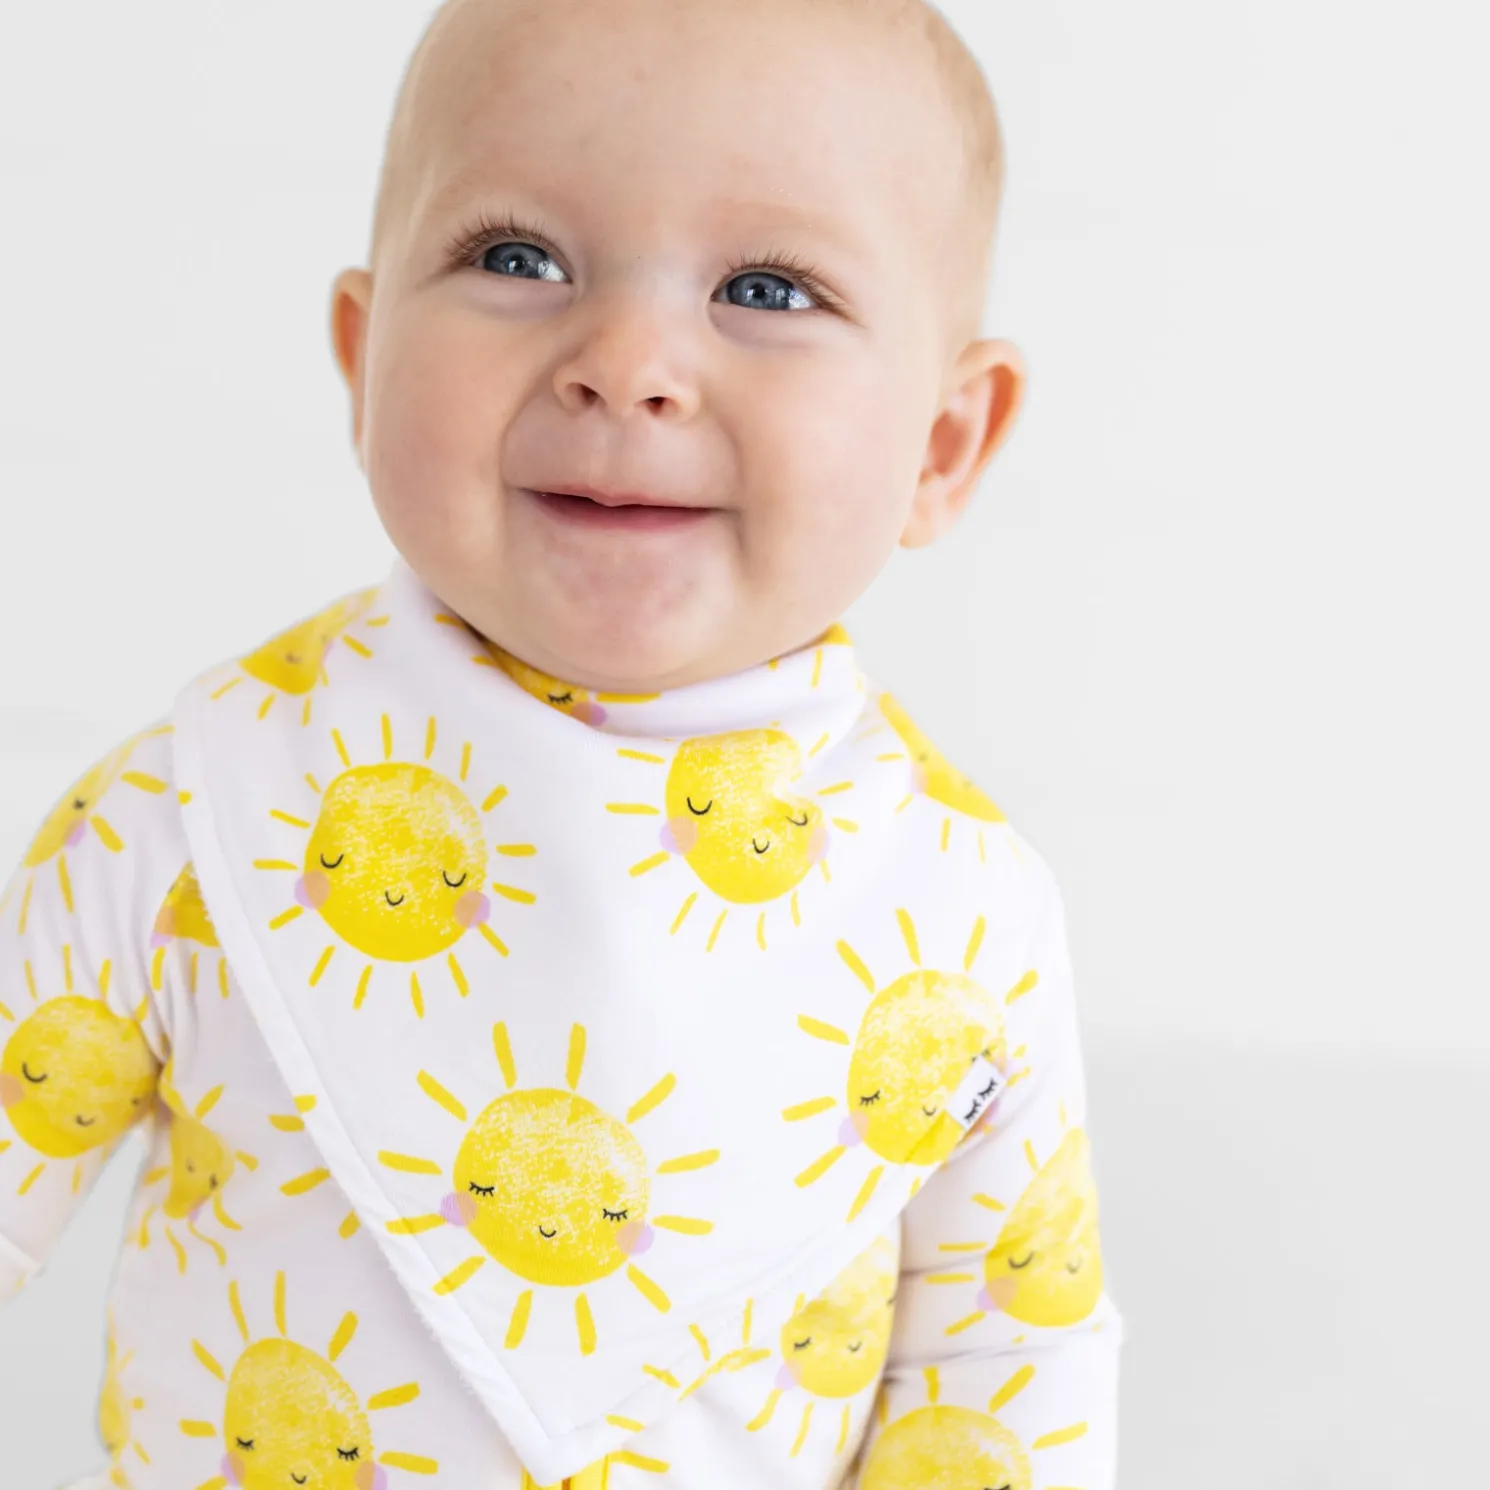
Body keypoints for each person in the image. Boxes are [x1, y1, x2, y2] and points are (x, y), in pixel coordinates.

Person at [0, 1, 1122, 1485]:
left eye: (766, 288)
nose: (627, 363)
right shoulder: (203, 805)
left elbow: (1000, 1360)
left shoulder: (954, 913)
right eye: (518, 259)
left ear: (941, 443)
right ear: (364, 361)